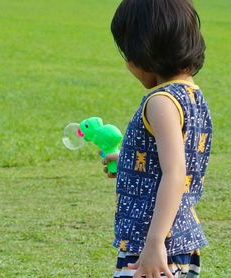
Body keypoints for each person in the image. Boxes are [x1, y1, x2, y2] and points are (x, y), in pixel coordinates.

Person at [104, 0, 212, 277]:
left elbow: (175, 172)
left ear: (144, 51)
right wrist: (129, 162)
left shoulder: (161, 101)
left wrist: (153, 243)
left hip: (153, 241)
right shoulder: (191, 95)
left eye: (126, 52)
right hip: (180, 238)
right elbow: (175, 157)